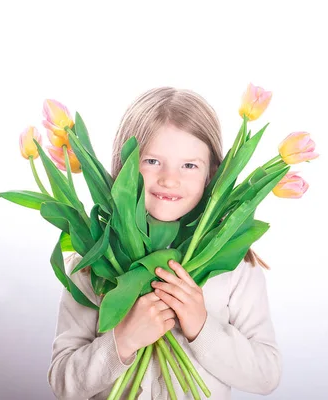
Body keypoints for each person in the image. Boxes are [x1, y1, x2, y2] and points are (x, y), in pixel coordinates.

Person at [48, 87, 282, 399]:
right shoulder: (91, 261)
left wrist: (202, 327)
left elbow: (266, 376)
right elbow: (63, 384)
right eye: (153, 161)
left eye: (189, 165)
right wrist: (122, 341)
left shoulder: (237, 268)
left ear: (213, 174)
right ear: (124, 165)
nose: (170, 179)